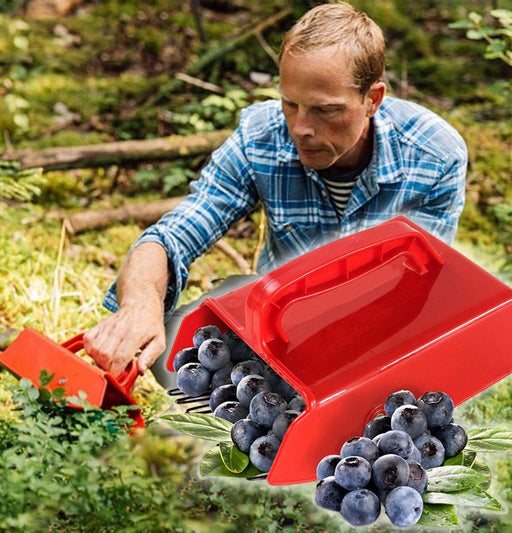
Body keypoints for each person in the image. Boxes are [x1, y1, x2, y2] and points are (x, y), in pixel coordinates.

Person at [84, 2, 467, 387]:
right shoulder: (260, 139)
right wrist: (141, 304)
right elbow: (174, 235)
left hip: (377, 334)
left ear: (373, 99)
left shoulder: (434, 157)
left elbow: (412, 293)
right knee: (175, 351)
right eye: (290, 104)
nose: (300, 128)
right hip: (275, 322)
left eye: (324, 110)